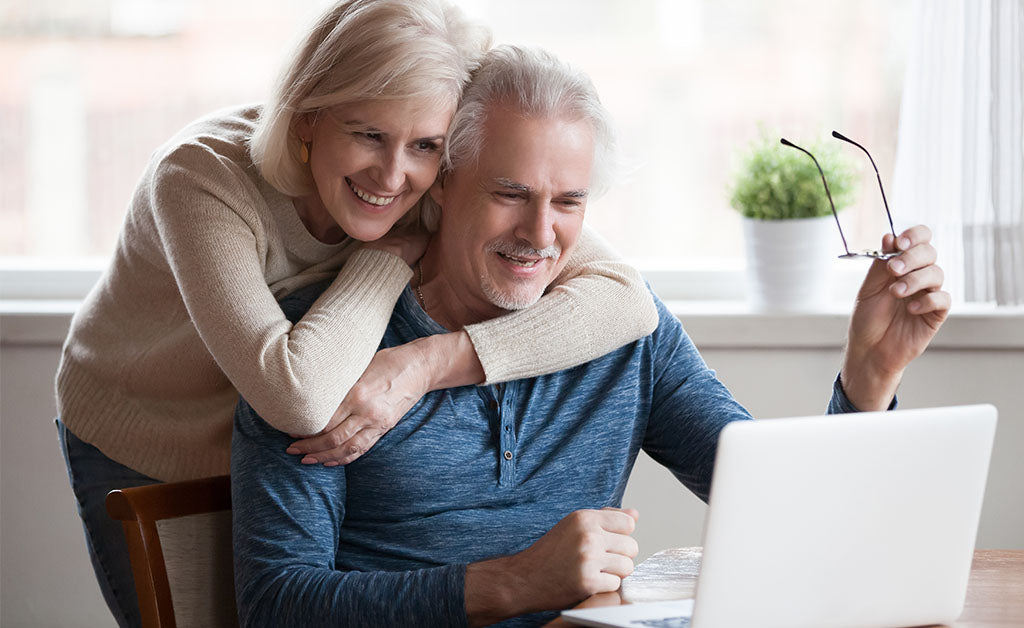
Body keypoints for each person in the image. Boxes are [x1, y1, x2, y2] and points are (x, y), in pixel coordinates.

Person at [231, 44, 950, 627]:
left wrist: (868, 378)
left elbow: (789, 510)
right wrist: (506, 584)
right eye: (510, 193)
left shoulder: (625, 332)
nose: (540, 235)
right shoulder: (322, 351)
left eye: (568, 202)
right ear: (443, 183)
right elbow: (277, 603)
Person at [54, 2, 660, 626]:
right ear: (309, 116)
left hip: (277, 428)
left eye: (425, 145)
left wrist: (427, 362)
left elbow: (627, 298)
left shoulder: (428, 180)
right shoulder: (200, 177)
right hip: (148, 429)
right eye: (368, 134)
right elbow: (295, 398)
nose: (392, 176)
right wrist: (386, 255)